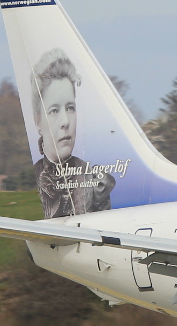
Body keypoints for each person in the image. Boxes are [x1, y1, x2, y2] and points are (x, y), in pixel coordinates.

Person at [30, 48, 115, 218]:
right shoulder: (34, 177)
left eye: (70, 108)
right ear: (38, 121)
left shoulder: (95, 180)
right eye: (54, 111)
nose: (65, 122)